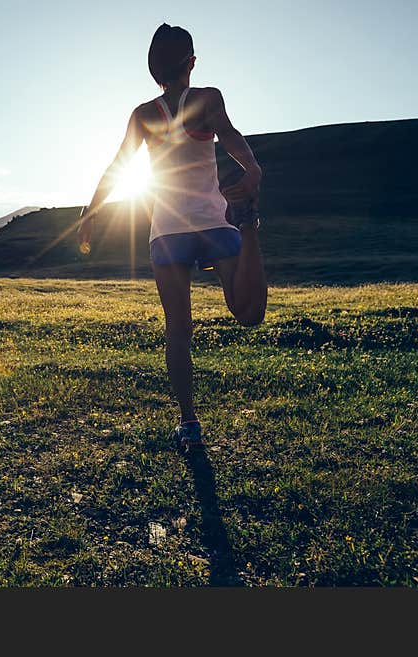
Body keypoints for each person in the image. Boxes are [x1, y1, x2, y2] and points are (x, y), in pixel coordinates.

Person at [77, 23, 267, 451]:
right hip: (214, 224)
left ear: (152, 70)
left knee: (178, 330)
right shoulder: (207, 99)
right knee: (247, 311)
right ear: (192, 64)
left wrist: (90, 212)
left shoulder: (142, 114)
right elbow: (232, 136)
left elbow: (117, 167)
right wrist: (252, 169)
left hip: (167, 232)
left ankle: (189, 425)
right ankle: (249, 223)